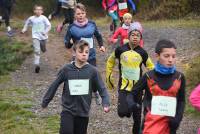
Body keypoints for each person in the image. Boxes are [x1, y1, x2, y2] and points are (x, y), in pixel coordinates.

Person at [42, 40, 110, 134]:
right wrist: (46, 100)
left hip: (83, 112)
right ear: (74, 52)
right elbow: (54, 84)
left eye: (86, 52)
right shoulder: (66, 69)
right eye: (81, 51)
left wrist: (106, 103)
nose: (84, 54)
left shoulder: (93, 71)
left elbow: (102, 88)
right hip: (68, 110)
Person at [127, 39, 186, 134]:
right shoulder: (148, 76)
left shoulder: (179, 77)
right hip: (150, 126)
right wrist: (132, 104)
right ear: (157, 56)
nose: (171, 60)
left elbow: (181, 100)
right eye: (166, 56)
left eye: (173, 56)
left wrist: (178, 118)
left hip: (170, 126)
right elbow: (132, 93)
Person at [106, 22, 154, 134]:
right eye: (133, 35)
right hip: (123, 86)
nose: (135, 37)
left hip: (137, 89)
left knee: (137, 119)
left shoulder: (143, 53)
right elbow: (110, 61)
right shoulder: (120, 50)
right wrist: (109, 76)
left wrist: (153, 83)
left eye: (138, 35)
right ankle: (128, 109)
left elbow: (151, 67)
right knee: (122, 112)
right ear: (128, 36)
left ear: (140, 38)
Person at [64, 3, 106, 105]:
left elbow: (98, 36)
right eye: (78, 14)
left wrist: (101, 45)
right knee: (77, 78)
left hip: (90, 55)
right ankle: (77, 99)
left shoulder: (92, 24)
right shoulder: (71, 27)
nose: (81, 15)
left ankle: (95, 92)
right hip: (77, 57)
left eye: (82, 13)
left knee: (93, 76)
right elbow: (66, 43)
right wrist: (69, 43)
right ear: (75, 15)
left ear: (85, 13)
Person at [21, 5, 51, 73]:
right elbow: (26, 24)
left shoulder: (44, 18)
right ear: (34, 11)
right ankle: (37, 64)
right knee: (37, 50)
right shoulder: (31, 18)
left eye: (40, 10)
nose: (38, 11)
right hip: (35, 36)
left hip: (43, 37)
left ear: (42, 11)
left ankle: (43, 48)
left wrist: (45, 32)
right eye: (37, 9)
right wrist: (24, 30)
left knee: (43, 49)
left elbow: (49, 26)